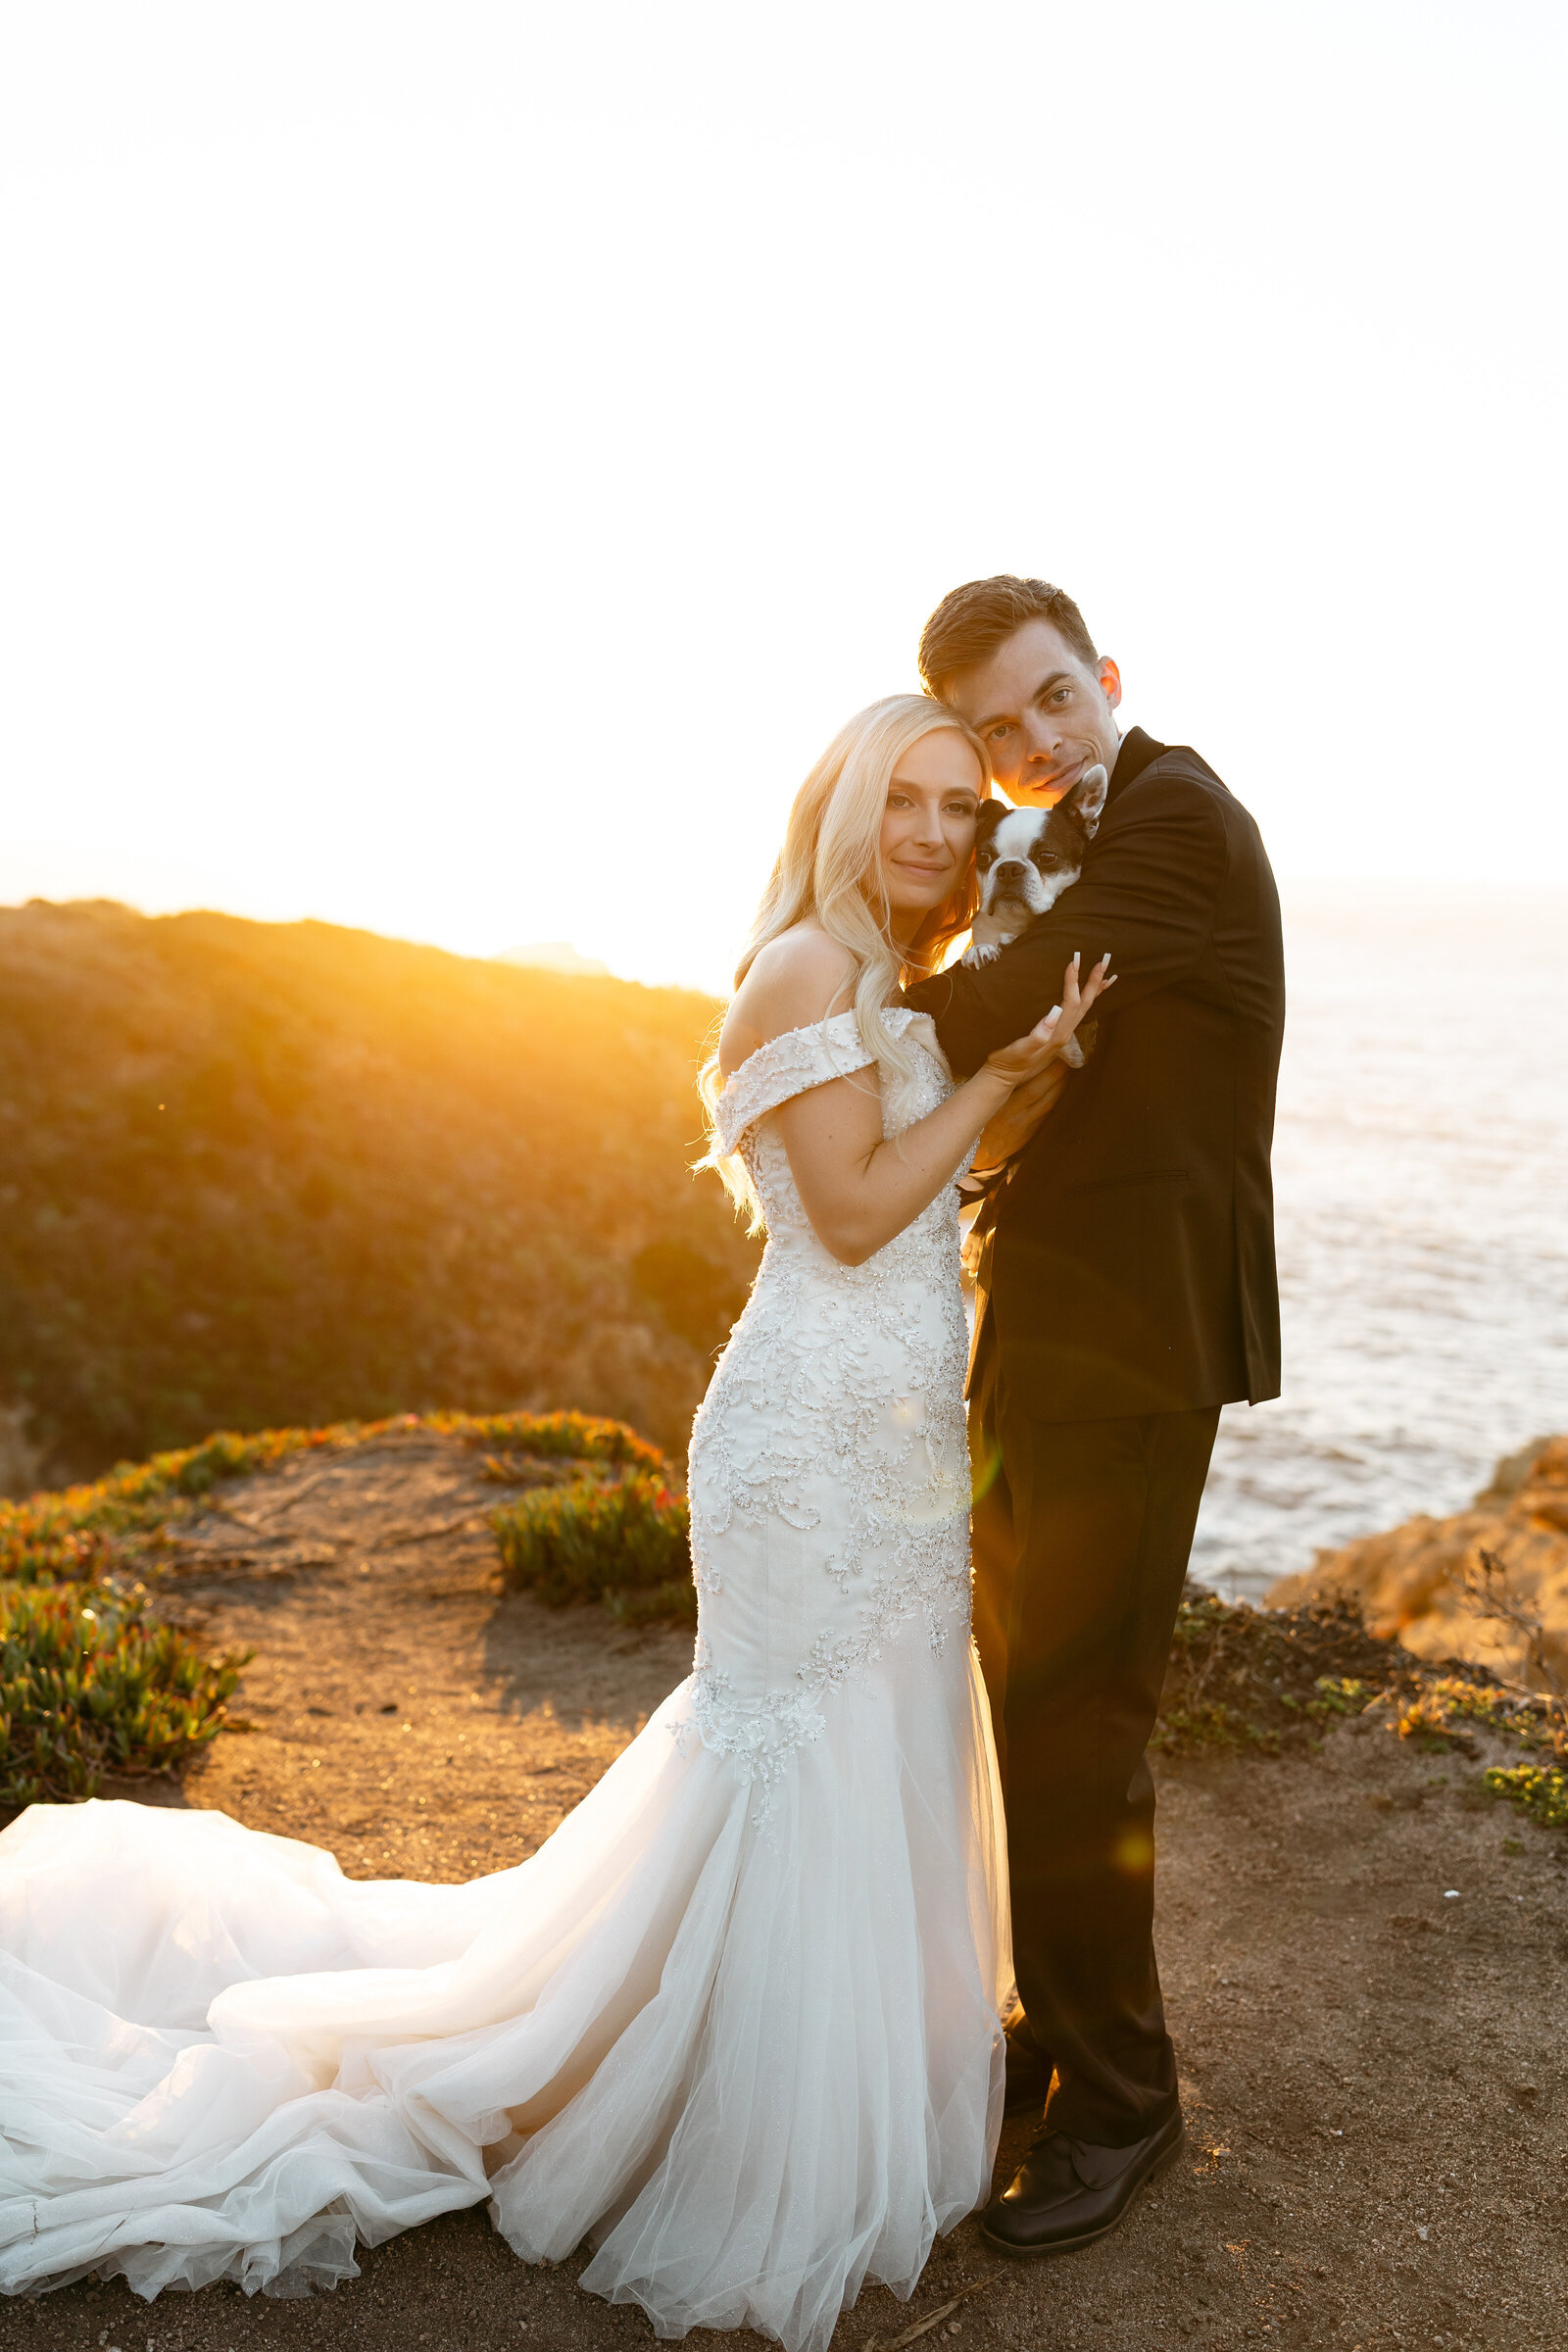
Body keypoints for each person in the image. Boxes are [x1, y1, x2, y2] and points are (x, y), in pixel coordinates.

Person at [0, 693, 1106, 2352]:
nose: (938, 834)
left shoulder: (877, 974)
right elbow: (866, 1214)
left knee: (872, 1741)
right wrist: (1003, 1071)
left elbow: (916, 1166)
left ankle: (808, 2082)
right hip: (803, 1440)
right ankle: (712, 2125)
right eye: (908, 802)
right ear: (845, 806)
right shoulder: (807, 966)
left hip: (887, 1441)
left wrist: (1027, 1081)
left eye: (961, 806)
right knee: (793, 1754)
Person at [906, 575, 1286, 2258]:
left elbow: (1029, 990)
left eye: (1053, 698)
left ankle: (1122, 2104)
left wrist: (825, 1027)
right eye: (999, 726)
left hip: (1135, 1344)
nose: (1034, 739)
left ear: (1105, 679)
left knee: (1079, 1723)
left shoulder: (1179, 816)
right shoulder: (1040, 849)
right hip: (1040, 1328)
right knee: (1019, 1702)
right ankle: (1051, 2037)